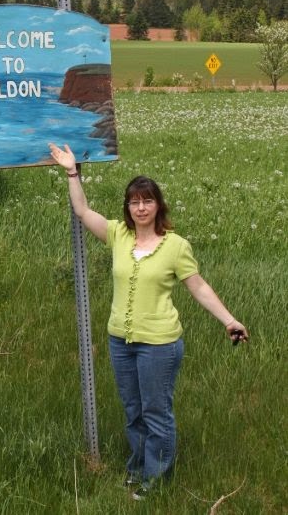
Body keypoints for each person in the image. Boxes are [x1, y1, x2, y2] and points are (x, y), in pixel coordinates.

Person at [48, 143, 249, 501]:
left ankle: (156, 478)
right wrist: (72, 172)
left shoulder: (175, 246)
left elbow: (198, 286)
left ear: (158, 205)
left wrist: (229, 320)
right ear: (127, 208)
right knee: (133, 411)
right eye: (134, 202)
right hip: (120, 341)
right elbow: (82, 211)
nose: (140, 208)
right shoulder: (118, 235)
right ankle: (138, 467)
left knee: (156, 412)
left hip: (159, 344)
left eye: (147, 201)